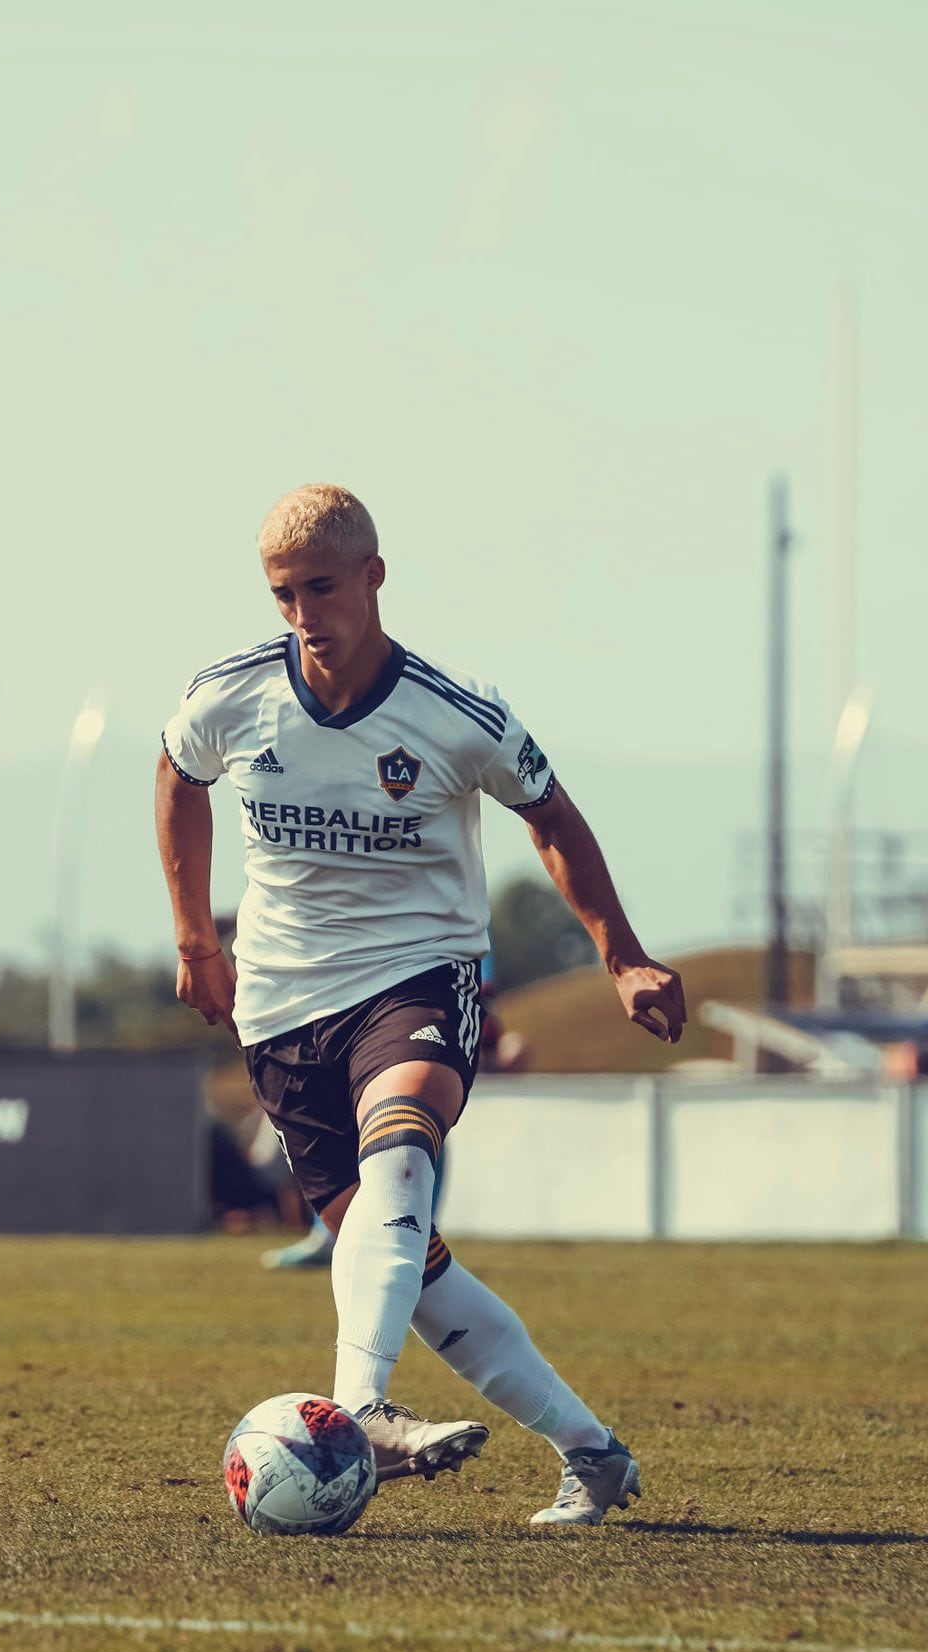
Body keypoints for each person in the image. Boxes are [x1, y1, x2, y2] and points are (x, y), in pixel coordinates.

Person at [155, 484, 685, 1526]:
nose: (303, 614)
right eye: (282, 594)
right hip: (279, 1006)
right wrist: (194, 939)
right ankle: (593, 1452)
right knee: (410, 1264)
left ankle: (358, 1407)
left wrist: (621, 955)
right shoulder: (230, 695)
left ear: (373, 577)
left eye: (320, 588)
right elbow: (177, 776)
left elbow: (553, 817)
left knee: (404, 1151)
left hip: (418, 975)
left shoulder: (454, 713)